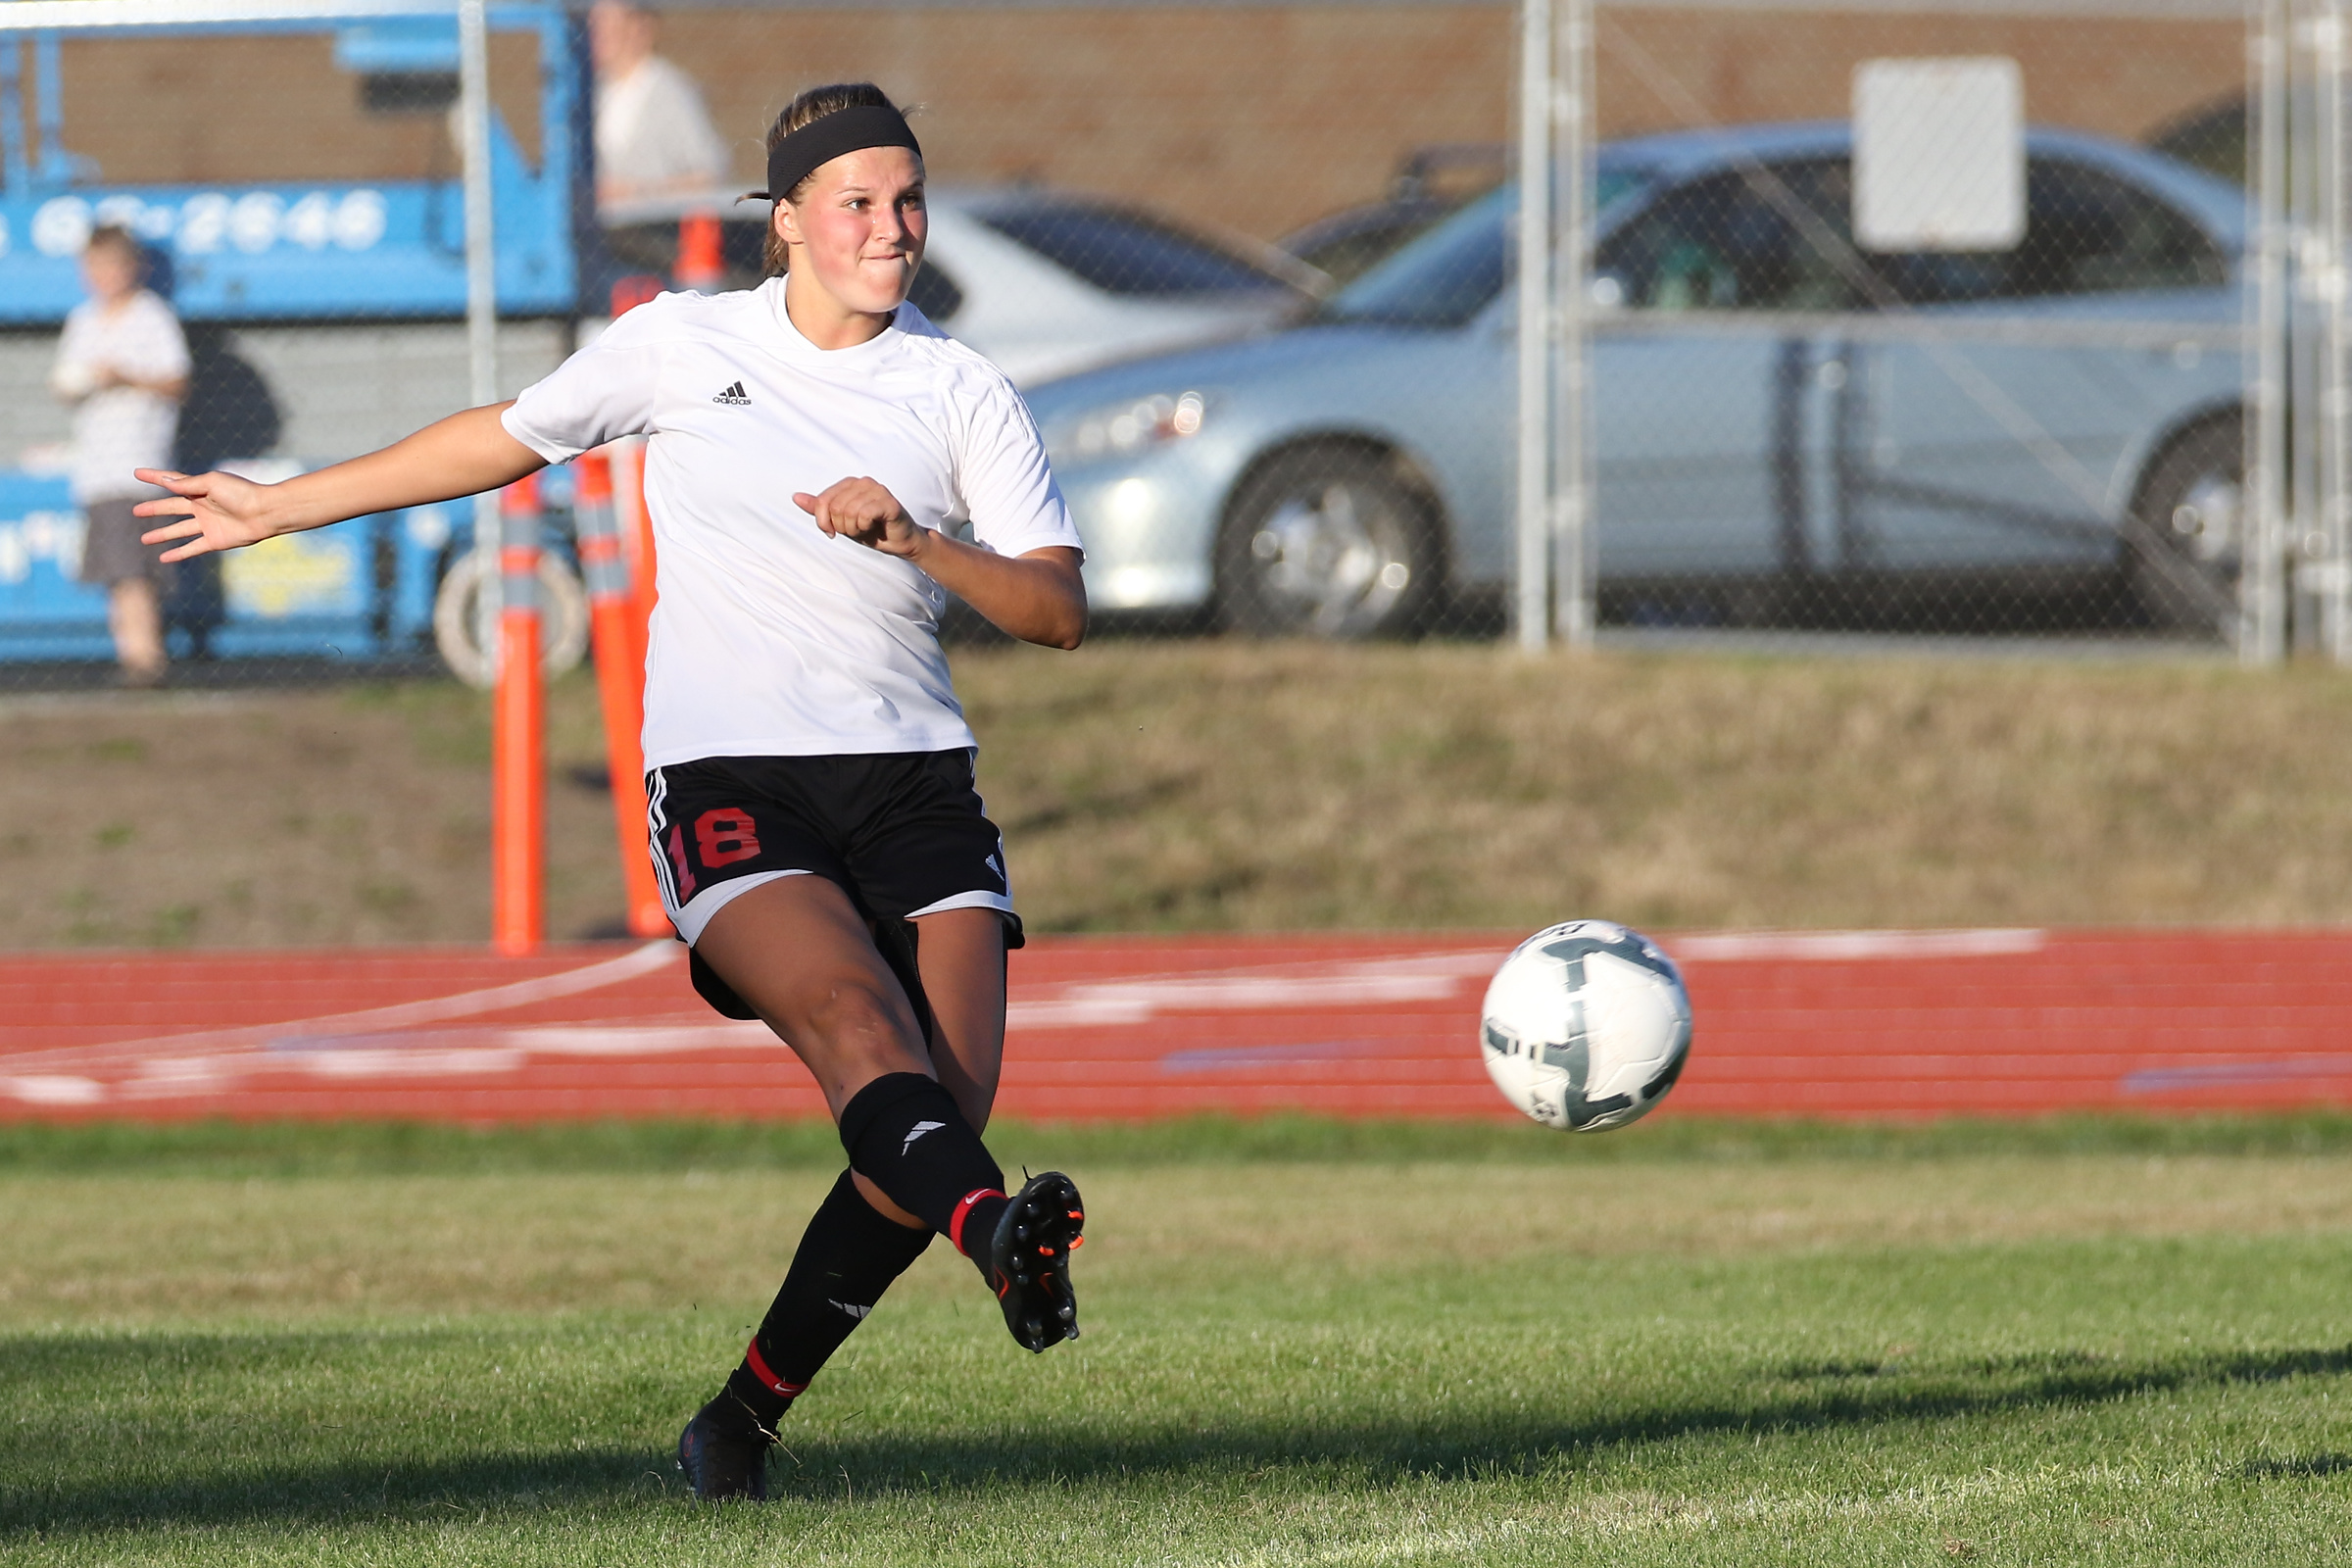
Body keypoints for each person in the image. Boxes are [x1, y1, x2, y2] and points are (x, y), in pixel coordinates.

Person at [136, 83, 1091, 1503]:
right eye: (856, 203)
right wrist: (282, 503)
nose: (891, 229)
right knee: (857, 1031)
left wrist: (918, 540)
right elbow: (501, 435)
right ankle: (1000, 1237)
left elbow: (1056, 612)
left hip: (916, 783)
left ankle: (743, 1420)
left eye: (907, 201)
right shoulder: (683, 343)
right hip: (729, 775)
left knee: (939, 1118)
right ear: (787, 221)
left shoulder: (959, 388)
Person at [53, 224, 189, 686]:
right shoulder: (83, 320)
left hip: (139, 466)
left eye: (112, 266)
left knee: (134, 571)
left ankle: (146, 660)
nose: (102, 276)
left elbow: (177, 381)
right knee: (117, 572)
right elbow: (64, 383)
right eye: (93, 267)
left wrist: (125, 377)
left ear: (134, 268)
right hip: (97, 471)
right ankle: (133, 655)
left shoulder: (152, 317)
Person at [589, 0, 730, 213]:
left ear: (639, 28)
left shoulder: (671, 92)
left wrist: (637, 192)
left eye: (606, 24)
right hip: (601, 228)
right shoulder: (592, 93)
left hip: (657, 227)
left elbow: (709, 174)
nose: (595, 34)